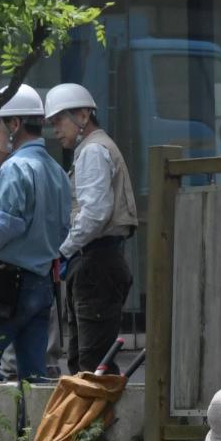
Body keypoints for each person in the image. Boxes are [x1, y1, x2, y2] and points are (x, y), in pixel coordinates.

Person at [0, 86, 72, 382]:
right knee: (34, 375)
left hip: (6, 283)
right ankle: (32, 429)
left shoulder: (15, 167)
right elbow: (63, 230)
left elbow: (6, 226)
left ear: (14, 124)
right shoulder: (57, 171)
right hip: (42, 281)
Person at [45, 83, 137, 374]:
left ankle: (96, 421)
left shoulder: (94, 150)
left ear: (83, 115)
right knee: (85, 363)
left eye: (59, 120)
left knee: (92, 365)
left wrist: (61, 251)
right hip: (95, 261)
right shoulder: (92, 148)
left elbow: (95, 214)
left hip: (97, 261)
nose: (56, 129)